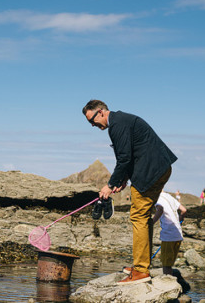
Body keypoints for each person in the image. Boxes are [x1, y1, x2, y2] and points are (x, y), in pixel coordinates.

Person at [83, 100, 177, 285]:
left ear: (100, 112)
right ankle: (142, 266)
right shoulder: (120, 121)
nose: (93, 125)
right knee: (143, 215)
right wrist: (123, 180)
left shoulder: (117, 125)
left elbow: (125, 158)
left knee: (138, 216)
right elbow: (130, 154)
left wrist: (110, 185)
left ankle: (141, 270)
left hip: (151, 170)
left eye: (92, 121)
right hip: (159, 168)